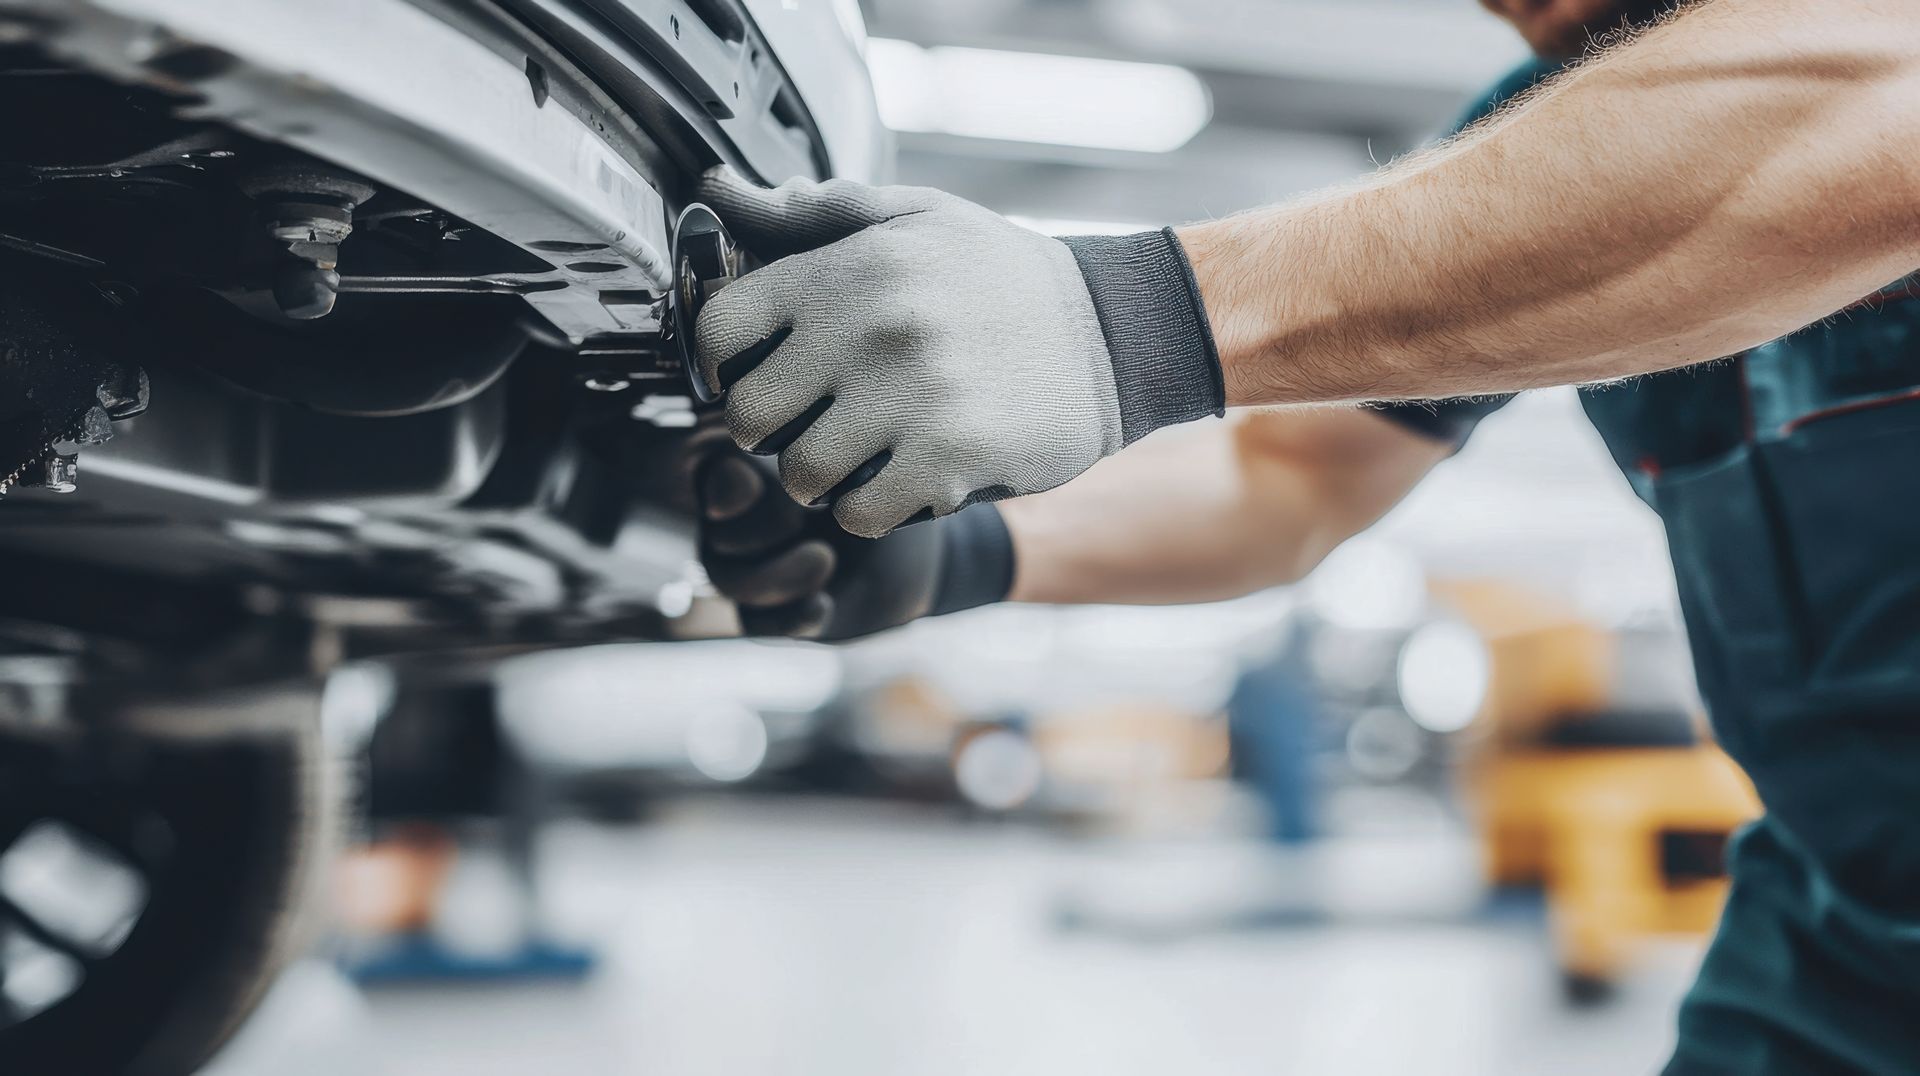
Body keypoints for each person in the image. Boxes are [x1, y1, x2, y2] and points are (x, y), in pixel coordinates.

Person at [688, 0, 1920, 1070]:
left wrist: (1128, 314)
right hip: (1838, 938)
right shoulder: (1553, 126)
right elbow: (1286, 482)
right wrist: (965, 553)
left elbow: (1881, 105)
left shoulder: (1863, 60)